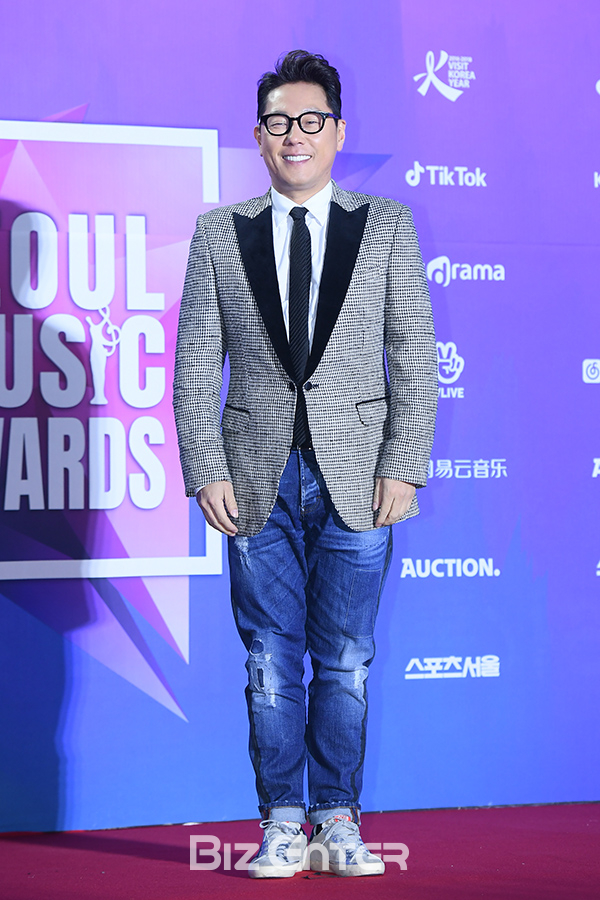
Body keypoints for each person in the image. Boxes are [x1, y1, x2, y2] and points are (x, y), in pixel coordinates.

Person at [173, 49, 437, 878]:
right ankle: (283, 823)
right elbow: (194, 365)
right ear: (259, 137)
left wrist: (405, 463)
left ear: (338, 132)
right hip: (253, 477)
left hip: (359, 476)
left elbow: (413, 354)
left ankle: (338, 821)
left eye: (311, 120)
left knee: (347, 659)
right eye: (279, 122)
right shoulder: (220, 234)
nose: (295, 135)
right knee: (268, 660)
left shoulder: (386, 226)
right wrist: (204, 466)